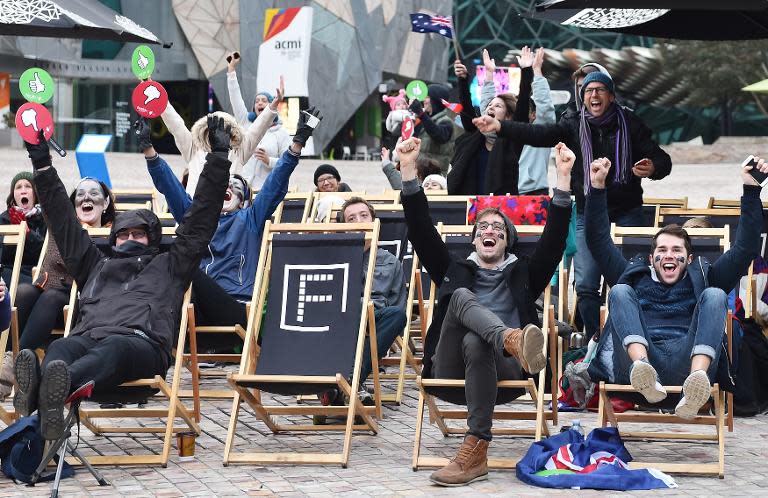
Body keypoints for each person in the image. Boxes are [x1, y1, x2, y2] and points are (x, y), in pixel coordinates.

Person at [13, 118, 231, 441]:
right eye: (124, 233)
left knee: (112, 349)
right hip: (90, 337)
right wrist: (41, 162)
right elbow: (61, 217)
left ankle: (44, 390)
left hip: (140, 343)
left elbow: (200, 220)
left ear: (153, 240)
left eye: (139, 234)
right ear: (112, 240)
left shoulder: (171, 265)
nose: (130, 238)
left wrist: (219, 158)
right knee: (60, 346)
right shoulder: (95, 264)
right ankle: (48, 395)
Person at [399, 136, 574, 486]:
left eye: (497, 228)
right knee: (461, 296)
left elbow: (554, 239)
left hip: (506, 373)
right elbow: (420, 230)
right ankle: (511, 338)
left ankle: (476, 448)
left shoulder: (525, 273)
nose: (489, 231)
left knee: (477, 343)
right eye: (482, 228)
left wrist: (563, 178)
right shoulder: (454, 269)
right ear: (475, 240)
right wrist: (407, 170)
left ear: (507, 240)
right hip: (451, 371)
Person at [472, 69, 672, 339]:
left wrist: (653, 167)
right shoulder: (572, 123)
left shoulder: (630, 123)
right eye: (589, 91)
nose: (594, 95)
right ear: (583, 97)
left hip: (627, 212)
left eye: (600, 90)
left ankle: (633, 335)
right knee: (587, 284)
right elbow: (539, 134)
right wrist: (501, 127)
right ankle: (595, 339)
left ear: (611, 96)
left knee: (632, 280)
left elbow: (662, 159)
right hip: (588, 213)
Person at [584, 156, 765, 418]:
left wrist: (751, 189)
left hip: (688, 363)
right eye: (662, 249)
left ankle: (697, 382)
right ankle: (642, 367)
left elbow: (745, 248)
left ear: (689, 259)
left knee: (714, 295)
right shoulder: (633, 275)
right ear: (651, 259)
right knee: (621, 291)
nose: (669, 255)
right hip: (636, 366)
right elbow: (598, 241)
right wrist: (597, 186)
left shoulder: (705, 277)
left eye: (677, 250)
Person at [139, 107, 322, 339]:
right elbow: (170, 187)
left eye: (234, 184)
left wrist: (297, 143)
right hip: (194, 309)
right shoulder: (197, 219)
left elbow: (276, 181)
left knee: (179, 267)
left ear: (244, 199)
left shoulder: (250, 219)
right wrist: (148, 150)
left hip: (237, 308)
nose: (226, 186)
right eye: (221, 183)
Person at [0, 178, 116, 397]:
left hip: (89, 306)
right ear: (73, 205)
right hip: (58, 299)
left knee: (52, 296)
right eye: (80, 195)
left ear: (106, 203)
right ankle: (9, 357)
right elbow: (51, 268)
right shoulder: (62, 229)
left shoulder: (114, 233)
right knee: (25, 291)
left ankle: (13, 366)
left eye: (94, 194)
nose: (86, 198)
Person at [332, 197, 407, 404]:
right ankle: (355, 384)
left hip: (376, 318)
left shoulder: (391, 262)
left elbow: (397, 303)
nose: (360, 221)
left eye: (364, 215)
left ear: (375, 223)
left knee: (398, 316)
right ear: (345, 229)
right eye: (351, 218)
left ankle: (346, 381)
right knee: (353, 304)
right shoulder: (334, 258)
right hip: (340, 316)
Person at [161, 75, 284, 197]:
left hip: (228, 212)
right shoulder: (193, 149)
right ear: (206, 130)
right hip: (196, 212)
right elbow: (176, 125)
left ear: (231, 134)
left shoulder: (238, 153)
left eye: (224, 130)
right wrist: (157, 96)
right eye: (214, 129)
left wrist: (273, 106)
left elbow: (257, 130)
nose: (218, 134)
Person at [447, 47, 536, 195]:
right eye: (490, 106)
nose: (491, 107)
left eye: (498, 106)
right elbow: (468, 109)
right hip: (469, 208)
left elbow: (521, 111)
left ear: (508, 117)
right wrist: (463, 80)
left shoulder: (513, 141)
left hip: (500, 210)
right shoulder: (474, 137)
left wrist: (526, 71)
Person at [225, 51, 292, 190]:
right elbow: (235, 97)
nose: (260, 103)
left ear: (271, 105)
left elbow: (289, 162)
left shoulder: (281, 133)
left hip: (264, 191)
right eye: (257, 101)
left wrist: (269, 161)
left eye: (264, 100)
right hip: (239, 188)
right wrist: (231, 70)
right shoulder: (245, 122)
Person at [0, 171, 46, 284]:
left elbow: (45, 254)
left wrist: (28, 233)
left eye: (28, 186)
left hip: (35, 274)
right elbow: (3, 257)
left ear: (35, 193)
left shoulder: (45, 219)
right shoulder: (4, 219)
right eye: (18, 187)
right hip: (8, 273)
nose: (23, 191)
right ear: (13, 195)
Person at [409, 83, 460, 173]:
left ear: (435, 100)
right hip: (419, 173)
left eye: (427, 97)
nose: (424, 100)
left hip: (435, 178)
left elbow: (439, 136)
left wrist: (421, 114)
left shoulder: (446, 121)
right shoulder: (425, 119)